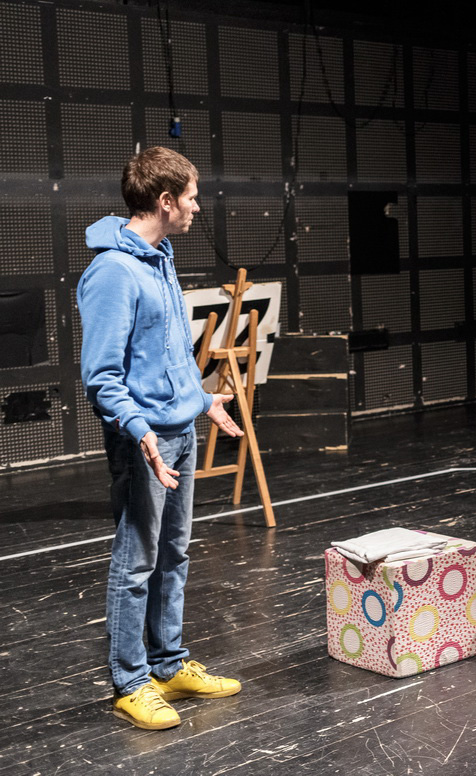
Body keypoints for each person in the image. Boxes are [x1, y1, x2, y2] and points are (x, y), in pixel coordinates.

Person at [79, 147, 245, 729]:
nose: (198, 207)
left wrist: (200, 400)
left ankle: (168, 663)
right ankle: (130, 680)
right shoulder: (113, 272)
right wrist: (140, 430)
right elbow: (102, 376)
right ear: (166, 200)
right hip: (143, 443)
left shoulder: (160, 258)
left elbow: (167, 352)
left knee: (174, 554)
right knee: (137, 561)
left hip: (180, 431)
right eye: (192, 198)